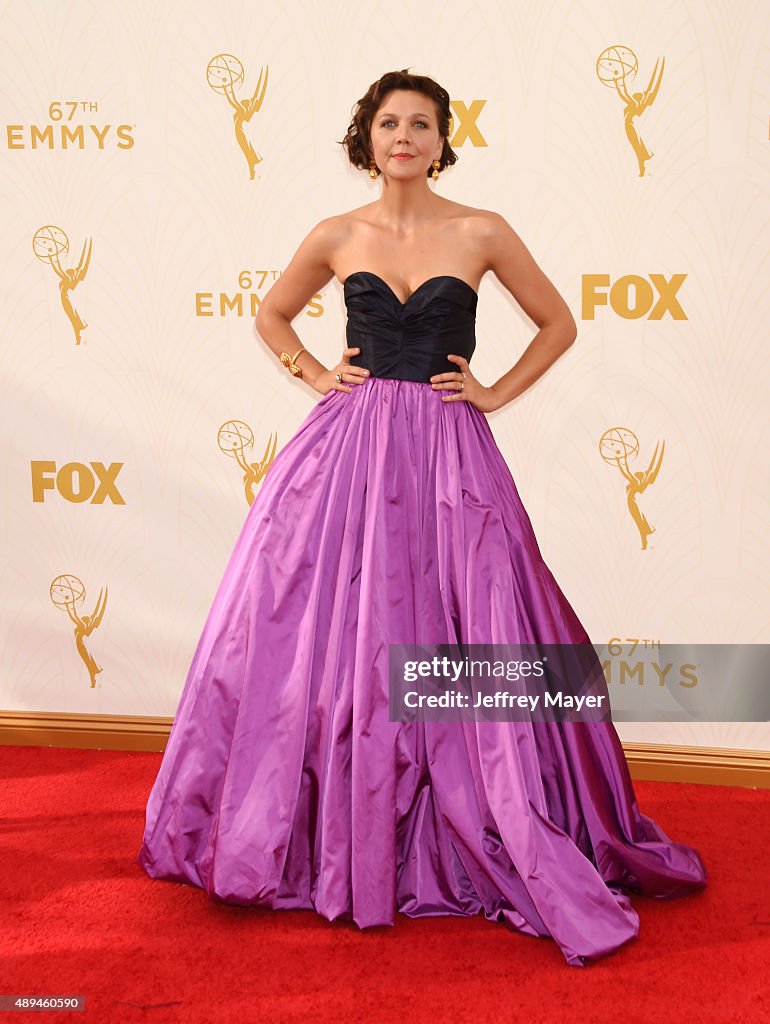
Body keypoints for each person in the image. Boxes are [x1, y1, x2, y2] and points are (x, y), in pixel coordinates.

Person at [137, 68, 707, 968]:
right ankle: (335, 827)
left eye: (422, 124)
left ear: (445, 138)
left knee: (473, 619)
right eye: (389, 123)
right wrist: (315, 375)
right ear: (366, 137)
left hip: (447, 453)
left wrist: (490, 394)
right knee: (330, 629)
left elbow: (556, 323)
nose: (404, 137)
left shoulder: (480, 230)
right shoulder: (334, 234)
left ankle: (485, 810)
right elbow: (272, 314)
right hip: (350, 452)